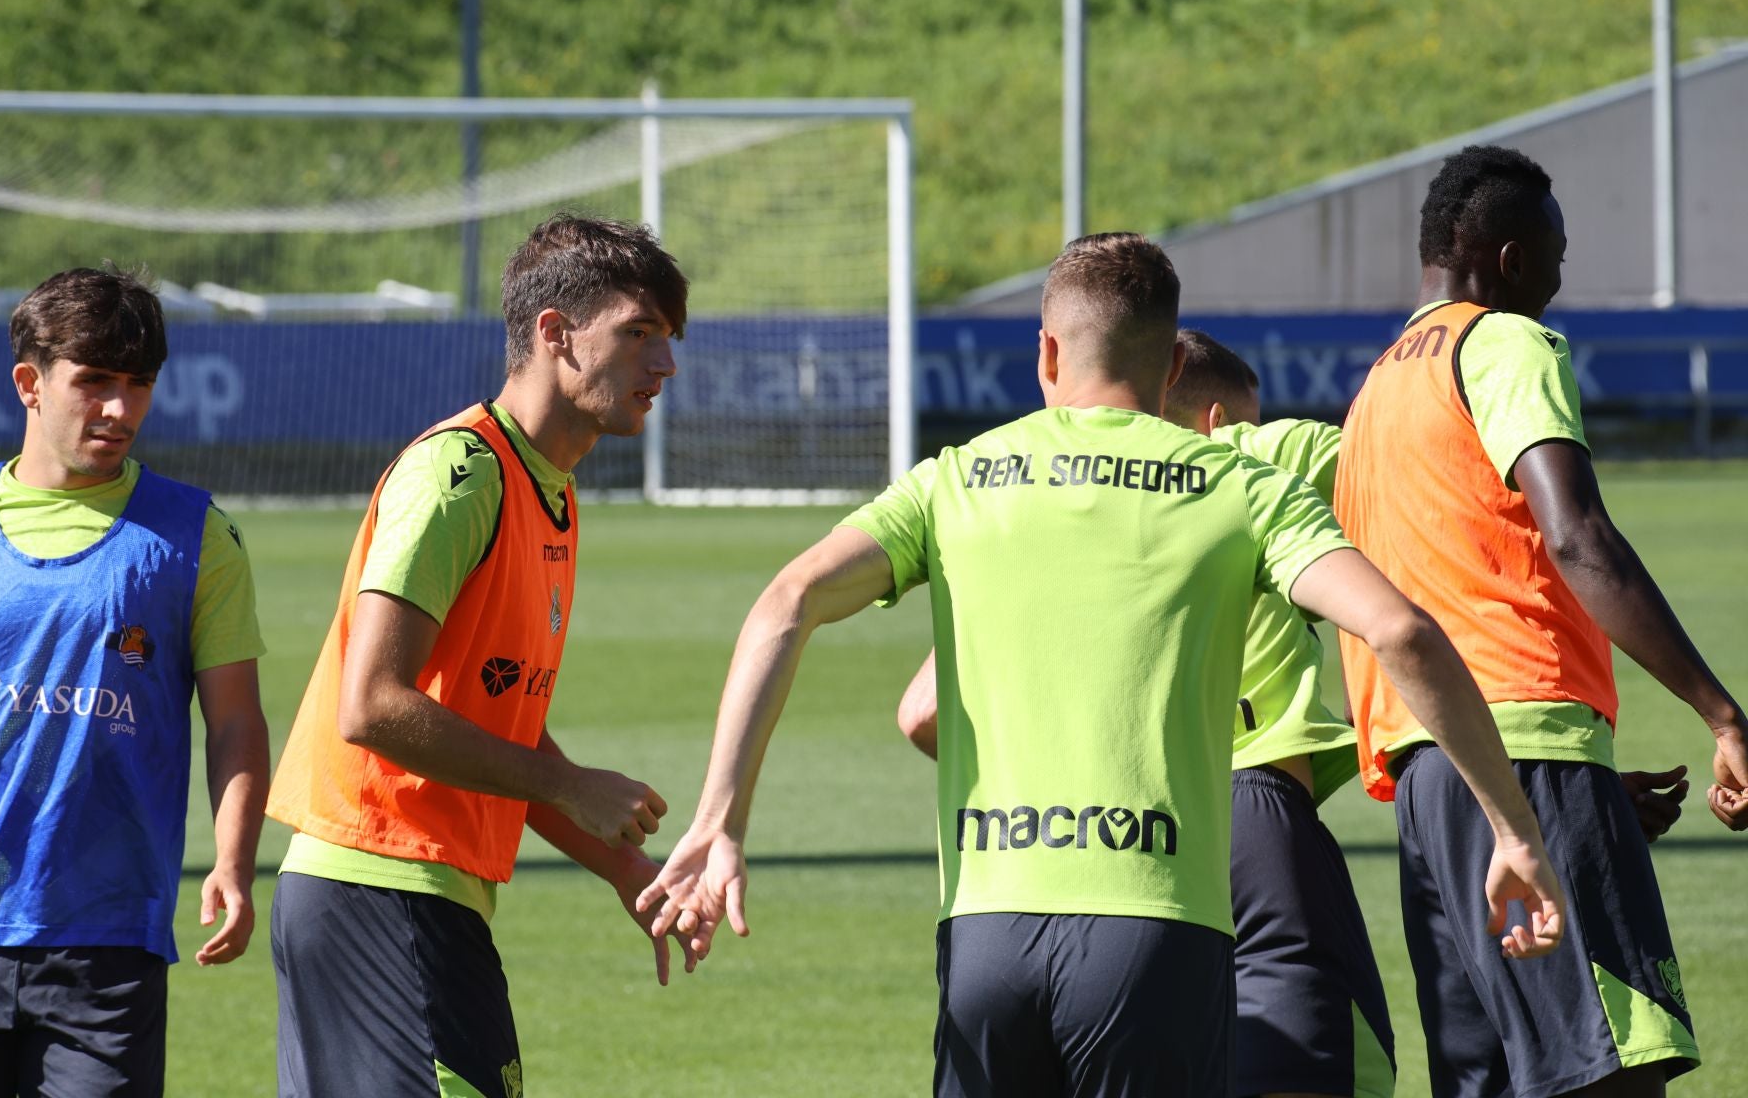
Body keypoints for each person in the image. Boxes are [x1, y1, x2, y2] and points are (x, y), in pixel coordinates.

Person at [642, 233, 1564, 1098]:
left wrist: (720, 820)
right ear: (1170, 369)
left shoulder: (957, 479)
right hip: (1157, 926)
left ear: (1047, 355)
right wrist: (1513, 831)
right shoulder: (1239, 485)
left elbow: (785, 604)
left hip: (985, 933)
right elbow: (1402, 633)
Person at [1334, 144, 1748, 1098]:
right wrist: (1721, 714)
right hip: (1525, 754)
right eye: (1555, 258)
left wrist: (1585, 786)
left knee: (1491, 1083)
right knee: (1606, 1076)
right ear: (1511, 260)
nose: (1560, 282)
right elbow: (1577, 539)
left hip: (1433, 774)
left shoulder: (1375, 394)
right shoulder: (1506, 342)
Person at [899, 327, 1396, 1098]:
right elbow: (1423, 469)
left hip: (1090, 845)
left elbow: (922, 712)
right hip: (1253, 817)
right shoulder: (1259, 458)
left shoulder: (1055, 522)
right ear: (1219, 419)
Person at [265, 213, 694, 1098]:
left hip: (427, 898)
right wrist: (571, 786)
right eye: (639, 334)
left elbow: (495, 729)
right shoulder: (460, 475)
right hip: (373, 886)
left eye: (669, 338)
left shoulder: (551, 495)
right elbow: (372, 705)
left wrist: (626, 869)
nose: (665, 366)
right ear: (555, 334)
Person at [0, 266, 270, 1098]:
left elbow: (237, 723)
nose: (120, 409)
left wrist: (235, 860)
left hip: (105, 952)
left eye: (139, 385)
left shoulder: (196, 537)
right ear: (30, 383)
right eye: (94, 382)